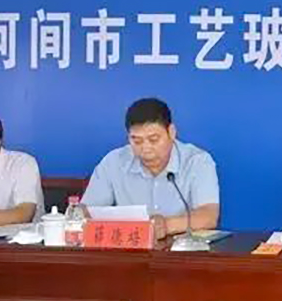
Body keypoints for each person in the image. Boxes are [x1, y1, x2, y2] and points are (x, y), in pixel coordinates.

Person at [81, 98, 219, 240]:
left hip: (181, 250)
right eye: (137, 141)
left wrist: (166, 225)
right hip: (129, 248)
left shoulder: (197, 161)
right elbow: (84, 213)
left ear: (171, 132)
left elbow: (209, 216)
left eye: (153, 140)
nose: (146, 149)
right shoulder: (114, 162)